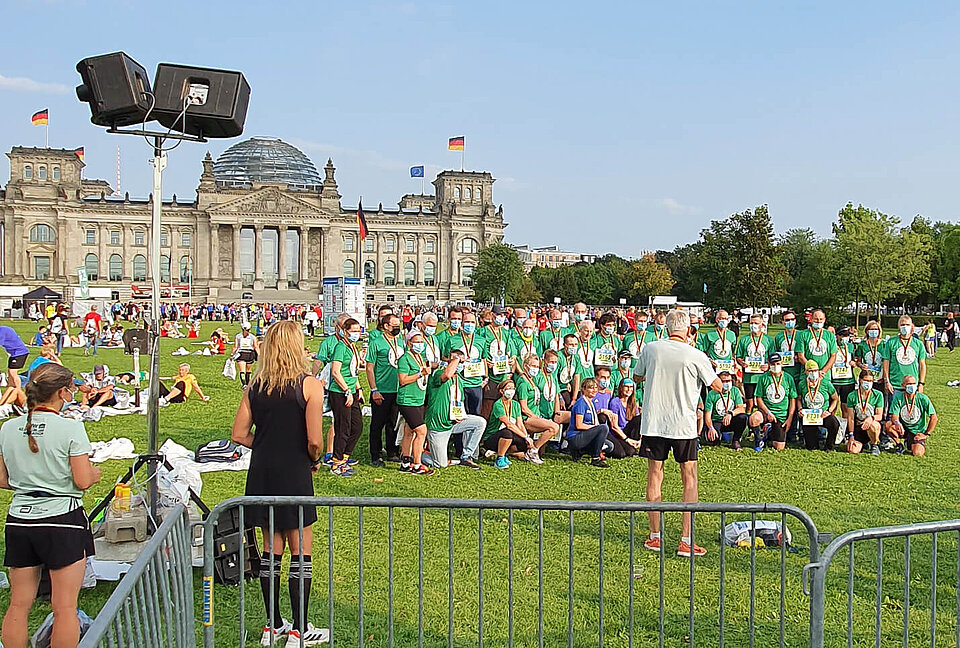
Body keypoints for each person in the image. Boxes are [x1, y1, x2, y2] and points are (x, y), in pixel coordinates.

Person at [230, 321, 327, 648]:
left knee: (272, 549)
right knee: (301, 550)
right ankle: (299, 629)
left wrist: (267, 443)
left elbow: (239, 434)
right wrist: (314, 458)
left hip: (263, 471)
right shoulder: (310, 385)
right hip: (294, 470)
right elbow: (314, 439)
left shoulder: (255, 386)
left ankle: (273, 626)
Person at [0, 363, 101, 648]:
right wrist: (94, 474)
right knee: (65, 606)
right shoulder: (70, 428)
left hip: (20, 517)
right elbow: (82, 480)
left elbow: (2, 478)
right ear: (62, 392)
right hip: (62, 517)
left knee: (18, 604)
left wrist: (29, 480)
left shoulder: (8, 428)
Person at [635, 309, 721, 557]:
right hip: (683, 425)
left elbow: (636, 376)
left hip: (654, 423)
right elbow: (717, 385)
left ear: (666, 327)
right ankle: (685, 539)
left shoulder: (651, 348)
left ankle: (655, 536)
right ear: (688, 330)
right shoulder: (696, 354)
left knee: (655, 475)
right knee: (689, 479)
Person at [423, 350, 484, 469]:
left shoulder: (459, 379)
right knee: (440, 464)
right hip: (438, 426)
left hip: (452, 422)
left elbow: (458, 401)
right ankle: (417, 454)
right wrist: (455, 360)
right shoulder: (438, 374)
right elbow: (446, 375)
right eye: (458, 361)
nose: (460, 364)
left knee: (480, 422)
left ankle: (466, 456)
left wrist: (460, 415)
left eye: (462, 361)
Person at [365, 314, 404, 467]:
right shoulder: (376, 342)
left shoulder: (400, 342)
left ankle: (392, 452)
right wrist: (374, 389)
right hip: (382, 389)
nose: (397, 327)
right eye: (394, 325)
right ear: (386, 326)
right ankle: (375, 455)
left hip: (398, 389)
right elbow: (369, 367)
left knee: (393, 423)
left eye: (398, 324)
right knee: (377, 424)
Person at [327, 319, 364, 477]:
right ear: (345, 330)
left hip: (352, 391)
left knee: (357, 426)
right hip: (340, 392)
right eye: (353, 330)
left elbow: (353, 371)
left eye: (358, 330)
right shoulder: (341, 347)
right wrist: (347, 391)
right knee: (343, 428)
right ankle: (336, 462)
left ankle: (344, 457)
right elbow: (336, 372)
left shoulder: (352, 347)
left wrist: (358, 388)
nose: (356, 333)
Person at [396, 330, 434, 476]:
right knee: (421, 431)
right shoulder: (404, 359)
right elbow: (403, 380)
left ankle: (405, 462)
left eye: (421, 342)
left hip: (418, 399)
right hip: (407, 400)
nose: (420, 345)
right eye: (416, 342)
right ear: (409, 343)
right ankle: (417, 464)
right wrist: (420, 374)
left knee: (409, 430)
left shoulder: (420, 357)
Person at [513, 354, 559, 463]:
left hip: (534, 415)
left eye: (537, 366)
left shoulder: (531, 380)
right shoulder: (523, 383)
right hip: (526, 418)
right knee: (554, 427)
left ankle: (527, 451)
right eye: (532, 365)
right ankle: (533, 451)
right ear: (525, 366)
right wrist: (537, 418)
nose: (535, 369)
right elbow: (523, 407)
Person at [482, 379, 536, 469]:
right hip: (493, 437)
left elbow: (520, 424)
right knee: (507, 433)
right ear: (501, 391)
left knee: (523, 442)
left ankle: (506, 453)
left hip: (508, 434)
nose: (511, 390)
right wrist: (525, 436)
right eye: (508, 388)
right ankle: (500, 458)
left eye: (513, 388)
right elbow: (508, 424)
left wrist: (527, 437)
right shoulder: (498, 404)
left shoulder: (515, 404)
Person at [750, 353, 796, 452]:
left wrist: (789, 419)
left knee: (779, 447)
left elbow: (793, 399)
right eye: (773, 364)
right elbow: (758, 398)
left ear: (782, 363)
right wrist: (768, 412)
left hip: (781, 414)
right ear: (769, 365)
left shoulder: (788, 378)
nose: (776, 366)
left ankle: (769, 432)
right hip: (766, 412)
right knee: (754, 418)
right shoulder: (763, 378)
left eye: (778, 363)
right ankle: (758, 440)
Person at [442, 310, 485, 416]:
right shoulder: (452, 340)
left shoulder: (481, 340)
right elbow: (444, 357)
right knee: (459, 414)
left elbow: (483, 359)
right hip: (458, 382)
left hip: (476, 383)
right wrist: (455, 362)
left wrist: (485, 378)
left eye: (472, 322)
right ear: (462, 323)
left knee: (475, 415)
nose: (469, 325)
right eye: (467, 322)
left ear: (476, 324)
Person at [884, 375, 937, 457]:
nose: (912, 386)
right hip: (903, 428)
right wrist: (897, 423)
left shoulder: (923, 398)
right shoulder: (898, 397)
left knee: (918, 453)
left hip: (917, 432)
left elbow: (934, 418)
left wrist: (926, 434)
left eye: (914, 383)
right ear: (903, 386)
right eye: (909, 384)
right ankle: (899, 445)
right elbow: (894, 415)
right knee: (888, 425)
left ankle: (909, 443)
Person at [565, 378, 612, 467]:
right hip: (576, 436)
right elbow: (579, 425)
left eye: (595, 388)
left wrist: (597, 430)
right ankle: (595, 458)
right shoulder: (581, 403)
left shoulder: (592, 403)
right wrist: (595, 429)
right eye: (591, 388)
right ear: (584, 389)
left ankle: (581, 451)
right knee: (603, 428)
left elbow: (596, 423)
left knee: (610, 446)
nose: (594, 390)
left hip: (586, 435)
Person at [882, 315, 927, 402]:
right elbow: (886, 363)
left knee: (910, 413)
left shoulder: (918, 344)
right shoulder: (891, 342)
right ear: (898, 326)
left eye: (907, 324)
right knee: (893, 414)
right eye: (902, 325)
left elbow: (922, 365)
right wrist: (887, 381)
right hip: (895, 386)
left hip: (913, 385)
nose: (905, 327)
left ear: (912, 326)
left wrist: (921, 384)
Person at [799, 360, 841, 451]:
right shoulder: (802, 384)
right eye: (810, 371)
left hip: (823, 414)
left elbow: (835, 399)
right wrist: (800, 409)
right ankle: (812, 442)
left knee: (834, 423)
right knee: (812, 447)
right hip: (809, 416)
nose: (813, 373)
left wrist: (829, 411)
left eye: (815, 370)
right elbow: (798, 399)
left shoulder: (826, 383)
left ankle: (829, 446)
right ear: (806, 372)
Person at [734, 313, 773, 412]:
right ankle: (749, 423)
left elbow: (772, 357)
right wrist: (742, 363)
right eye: (751, 323)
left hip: (763, 376)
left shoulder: (768, 340)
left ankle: (762, 424)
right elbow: (738, 356)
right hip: (749, 377)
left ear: (762, 325)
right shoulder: (744, 339)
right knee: (749, 403)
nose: (753, 325)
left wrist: (768, 365)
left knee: (763, 402)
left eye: (756, 323)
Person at [703, 370, 747, 450]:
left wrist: (731, 413)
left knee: (743, 418)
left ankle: (736, 440)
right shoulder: (712, 393)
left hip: (730, 420)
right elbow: (707, 415)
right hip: (717, 421)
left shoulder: (735, 390)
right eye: (724, 381)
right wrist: (711, 428)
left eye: (729, 381)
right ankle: (716, 435)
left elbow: (741, 408)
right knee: (714, 441)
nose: (727, 383)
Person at [844, 369, 884, 456]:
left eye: (870, 381)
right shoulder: (852, 396)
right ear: (860, 380)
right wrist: (851, 435)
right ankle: (863, 444)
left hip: (871, 426)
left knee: (874, 425)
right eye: (866, 380)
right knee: (852, 450)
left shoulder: (878, 395)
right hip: (859, 426)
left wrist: (871, 418)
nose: (868, 383)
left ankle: (874, 445)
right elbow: (850, 417)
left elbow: (879, 415)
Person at [605, 379, 642, 458]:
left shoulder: (633, 403)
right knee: (625, 453)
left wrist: (640, 440)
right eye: (626, 387)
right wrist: (627, 439)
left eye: (631, 387)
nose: (629, 389)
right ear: (621, 388)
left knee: (639, 418)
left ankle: (636, 443)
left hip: (629, 431)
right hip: (618, 433)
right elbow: (614, 426)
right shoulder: (615, 402)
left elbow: (638, 423)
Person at [232, 322, 260, 389]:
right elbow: (255, 347)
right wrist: (259, 355)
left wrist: (232, 354)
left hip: (242, 353)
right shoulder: (252, 337)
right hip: (248, 353)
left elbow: (235, 347)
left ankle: (245, 384)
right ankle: (247, 384)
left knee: (244, 370)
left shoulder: (238, 336)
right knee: (246, 370)